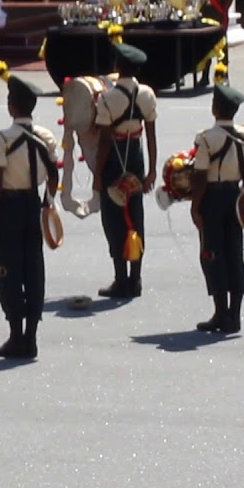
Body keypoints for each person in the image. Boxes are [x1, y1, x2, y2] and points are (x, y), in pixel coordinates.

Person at [0, 71, 60, 359]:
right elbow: (54, 174)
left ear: (12, 105)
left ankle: (16, 336)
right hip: (32, 204)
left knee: (6, 268)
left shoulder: (2, 138)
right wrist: (47, 202)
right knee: (33, 268)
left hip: (9, 207)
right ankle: (31, 337)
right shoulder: (46, 136)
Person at [93, 43, 158, 299]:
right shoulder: (147, 94)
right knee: (136, 214)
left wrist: (98, 174)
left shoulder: (108, 98)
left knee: (114, 218)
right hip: (136, 156)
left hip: (114, 159)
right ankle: (136, 278)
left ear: (117, 67)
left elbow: (105, 141)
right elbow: (151, 135)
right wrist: (151, 171)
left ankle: (121, 279)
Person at [189, 85, 244, 334]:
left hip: (212, 198)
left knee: (212, 253)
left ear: (215, 108)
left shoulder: (206, 138)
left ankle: (220, 313)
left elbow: (200, 176)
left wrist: (196, 208)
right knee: (235, 253)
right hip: (236, 197)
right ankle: (234, 315)